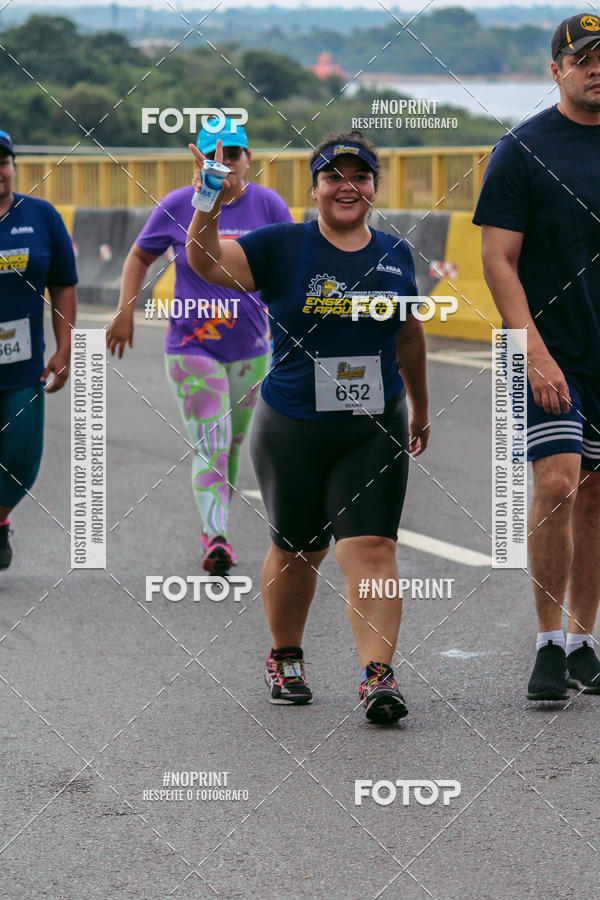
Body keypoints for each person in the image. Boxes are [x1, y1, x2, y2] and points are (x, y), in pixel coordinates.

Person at [186, 130, 430, 724]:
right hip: (293, 426)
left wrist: (421, 407)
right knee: (298, 551)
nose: (347, 187)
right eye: (332, 177)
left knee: (372, 547)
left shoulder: (395, 254)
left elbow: (408, 335)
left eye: (360, 176)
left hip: (374, 425)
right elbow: (206, 261)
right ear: (314, 187)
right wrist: (207, 200)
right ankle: (286, 657)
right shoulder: (282, 245)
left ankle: (378, 674)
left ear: (375, 186)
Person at [474, 13, 600, 701]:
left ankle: (583, 642)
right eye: (583, 59)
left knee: (596, 494)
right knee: (557, 484)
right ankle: (549, 644)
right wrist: (533, 352)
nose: (596, 69)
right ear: (556, 71)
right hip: (551, 350)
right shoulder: (521, 150)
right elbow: (497, 258)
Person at [107, 118, 292, 574]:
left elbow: (289, 268)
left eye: (233, 154)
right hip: (193, 348)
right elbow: (139, 256)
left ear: (248, 158)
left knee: (233, 445)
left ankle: (217, 526)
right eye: (214, 156)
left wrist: (292, 328)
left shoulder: (268, 205)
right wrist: (126, 310)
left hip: (252, 350)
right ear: (199, 161)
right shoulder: (177, 205)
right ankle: (216, 537)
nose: (224, 163)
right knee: (213, 442)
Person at [0, 130, 77, 570]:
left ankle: (0, 519)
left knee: (20, 460)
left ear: (13, 166)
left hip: (22, 367)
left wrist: (64, 348)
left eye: (2, 161)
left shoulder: (41, 216)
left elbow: (63, 284)